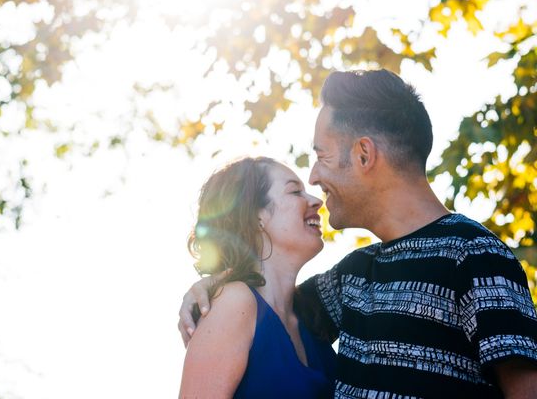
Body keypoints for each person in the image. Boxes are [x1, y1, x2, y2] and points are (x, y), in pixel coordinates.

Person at [179, 69, 537, 398]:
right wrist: (213, 286)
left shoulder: (476, 256)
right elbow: (268, 306)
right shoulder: (350, 277)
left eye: (322, 155)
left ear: (364, 154)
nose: (315, 179)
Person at [179, 157, 336, 398]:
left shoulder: (311, 314)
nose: (316, 201)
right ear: (256, 217)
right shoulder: (234, 303)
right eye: (295, 191)